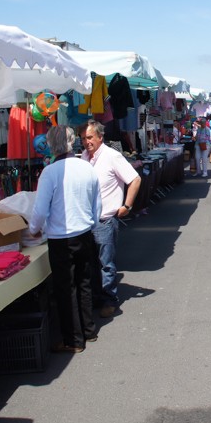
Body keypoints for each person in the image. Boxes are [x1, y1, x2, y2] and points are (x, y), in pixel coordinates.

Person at [29, 125, 101, 353]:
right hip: (84, 232)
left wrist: (33, 229)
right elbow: (97, 204)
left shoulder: (50, 172)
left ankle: (73, 339)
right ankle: (88, 330)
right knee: (84, 283)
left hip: (61, 237)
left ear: (51, 145)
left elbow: (40, 210)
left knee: (66, 288)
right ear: (72, 142)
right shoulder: (86, 167)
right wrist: (92, 224)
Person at [81, 120, 141, 318]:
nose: (86, 142)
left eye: (90, 137)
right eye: (83, 138)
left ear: (100, 137)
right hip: (87, 221)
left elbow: (135, 179)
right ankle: (97, 297)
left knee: (106, 263)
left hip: (106, 219)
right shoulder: (84, 157)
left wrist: (127, 206)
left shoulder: (111, 156)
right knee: (91, 263)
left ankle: (110, 299)